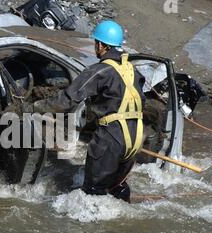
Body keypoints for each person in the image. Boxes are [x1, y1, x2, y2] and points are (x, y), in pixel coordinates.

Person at [33, 20, 146, 203]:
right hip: (135, 135)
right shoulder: (133, 70)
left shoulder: (100, 70)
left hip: (112, 137)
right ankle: (121, 221)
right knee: (117, 185)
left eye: (96, 43)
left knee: (93, 191)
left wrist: (38, 107)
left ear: (101, 45)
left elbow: (67, 99)